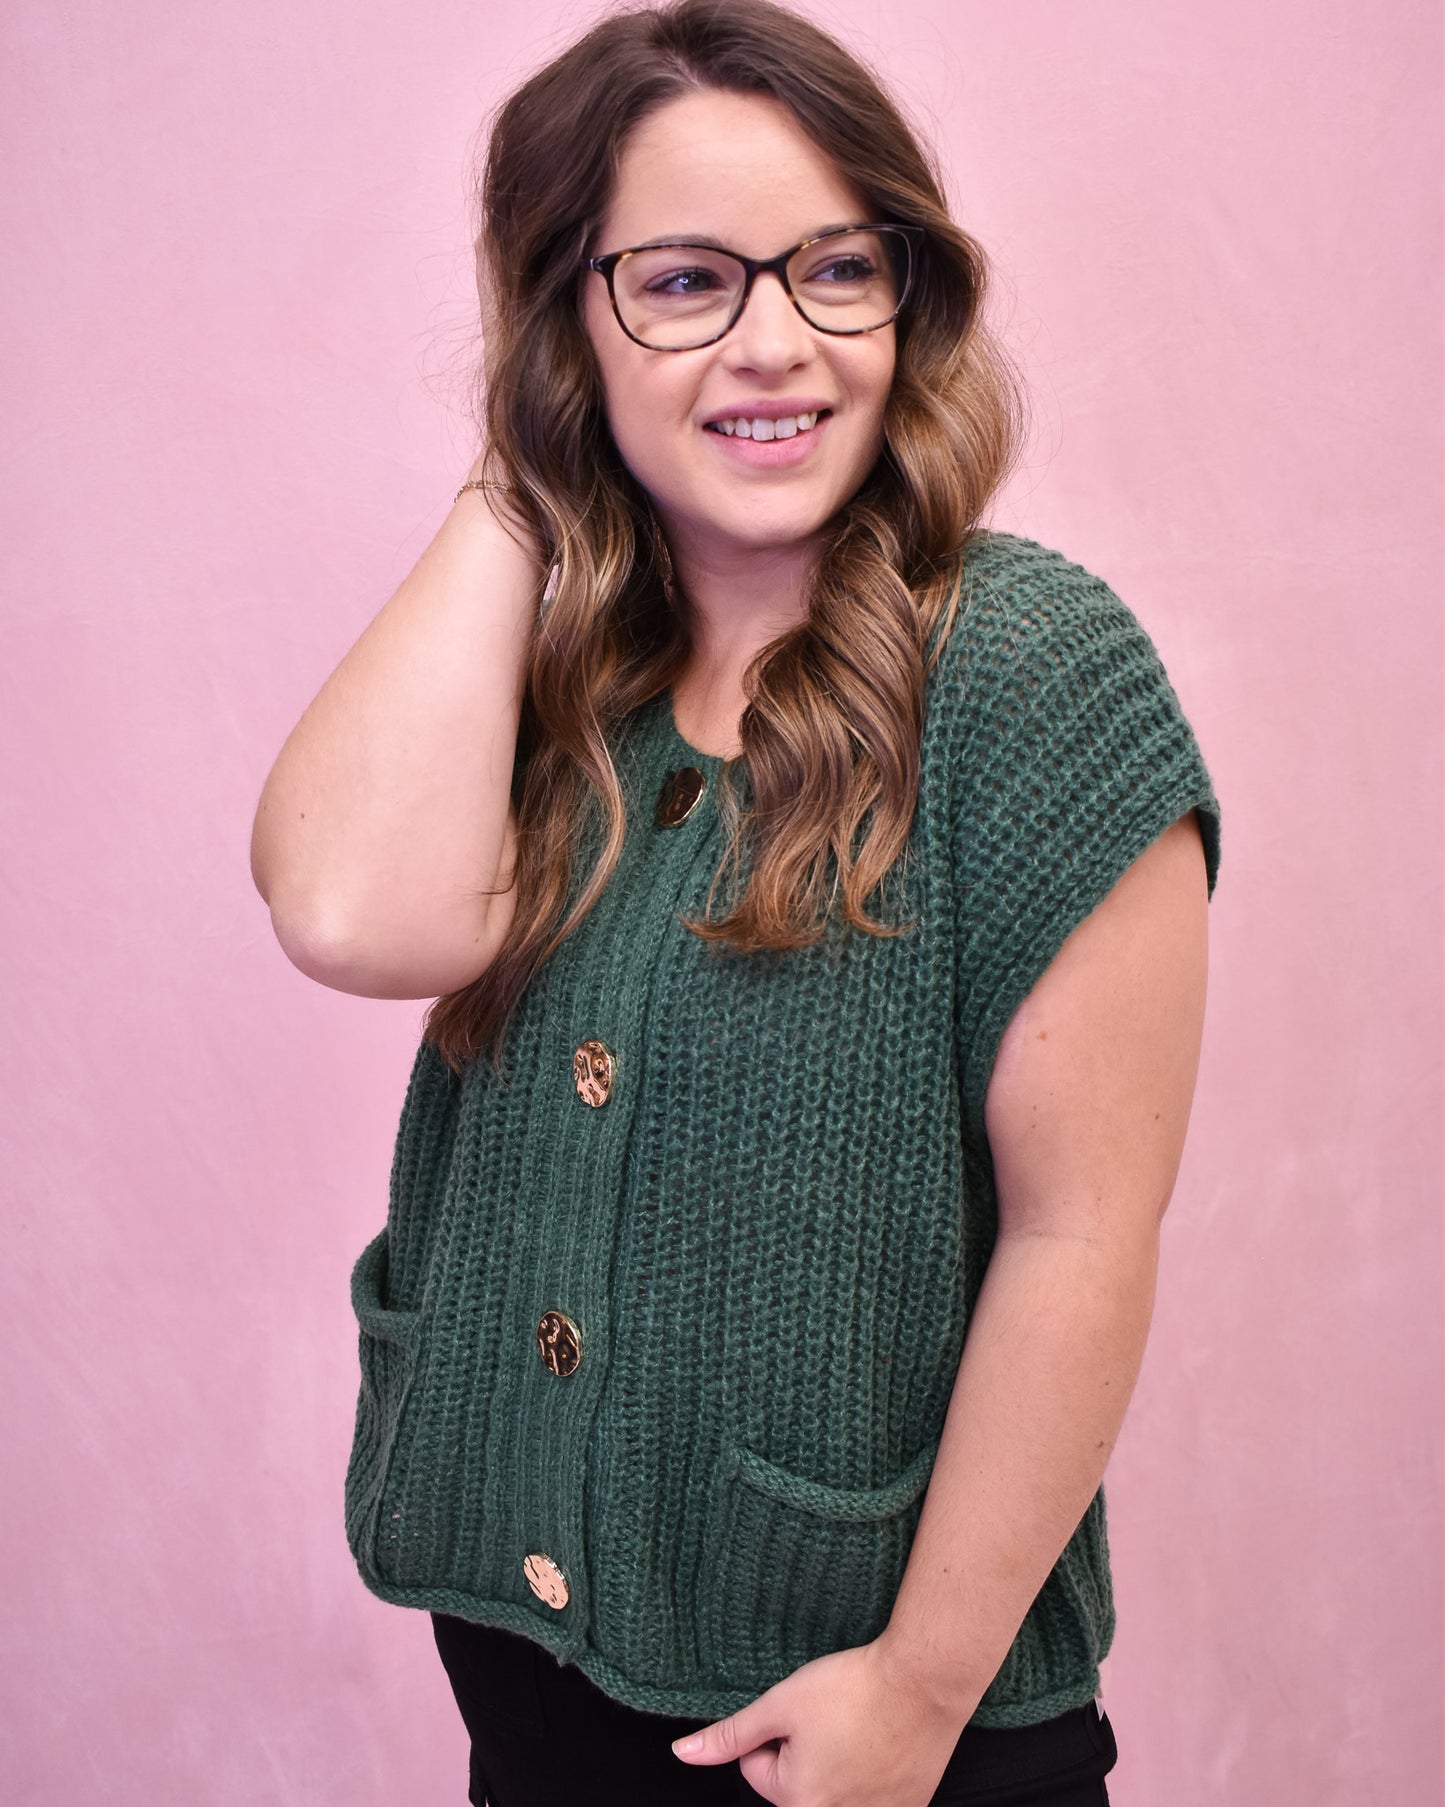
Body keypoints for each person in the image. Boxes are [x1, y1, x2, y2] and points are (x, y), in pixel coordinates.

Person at [249, 2, 1221, 1802]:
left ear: (903, 300)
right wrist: (520, 482)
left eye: (835, 268)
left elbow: (1082, 1231)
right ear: (572, 327)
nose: (777, 343)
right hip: (535, 1687)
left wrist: (921, 1692)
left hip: (878, 1728)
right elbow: (342, 909)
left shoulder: (1028, 670)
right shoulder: (555, 686)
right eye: (685, 282)